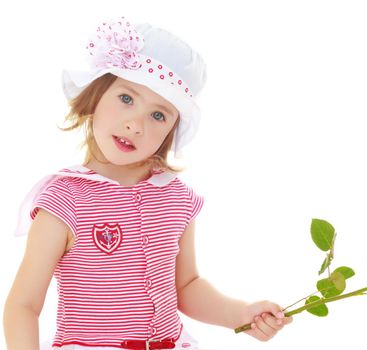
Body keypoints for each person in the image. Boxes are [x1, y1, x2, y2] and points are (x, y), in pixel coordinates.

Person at [3, 16, 293, 350]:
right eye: (126, 98)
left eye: (158, 115)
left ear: (171, 130)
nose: (135, 124)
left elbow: (186, 285)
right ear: (95, 96)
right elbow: (23, 305)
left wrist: (240, 313)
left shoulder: (177, 198)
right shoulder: (65, 200)